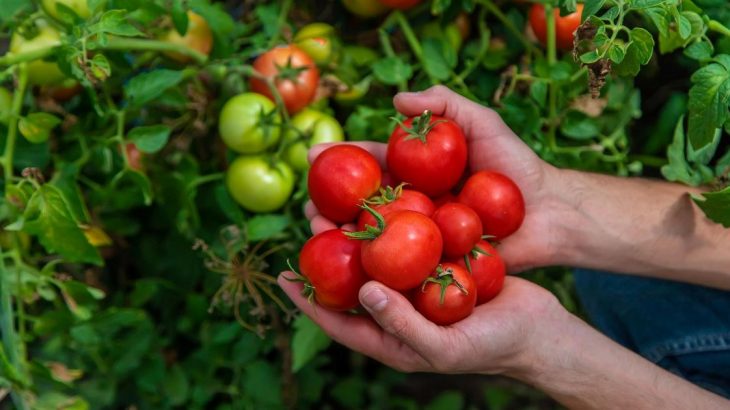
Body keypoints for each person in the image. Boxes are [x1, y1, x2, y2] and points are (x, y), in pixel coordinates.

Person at [278, 86, 730, 409]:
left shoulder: (407, 233)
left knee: (621, 291)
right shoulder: (409, 221)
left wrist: (537, 351)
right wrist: (556, 205)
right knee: (614, 285)